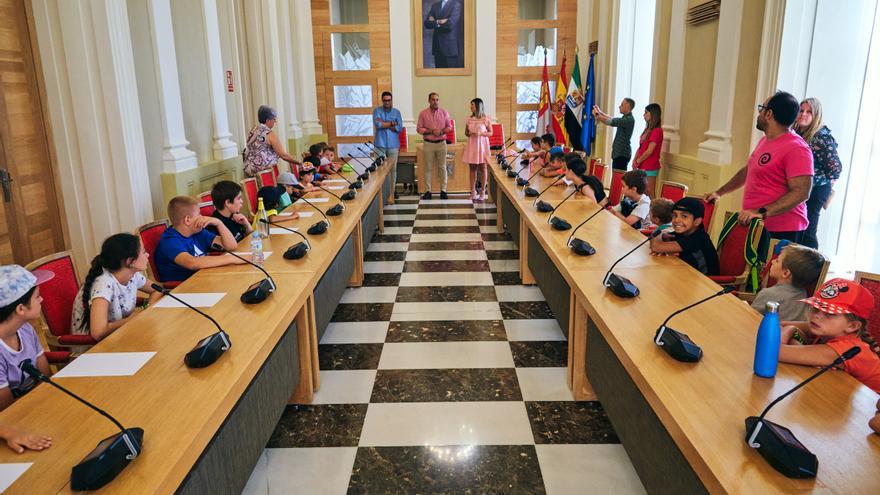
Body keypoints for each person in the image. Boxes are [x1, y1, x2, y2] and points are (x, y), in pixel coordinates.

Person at [705, 91, 814, 242]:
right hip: (758, 222)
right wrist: (719, 192)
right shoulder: (766, 140)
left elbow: (801, 192)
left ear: (769, 114)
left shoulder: (797, 148)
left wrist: (761, 212)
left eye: (761, 108)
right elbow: (749, 170)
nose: (759, 113)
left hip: (782, 230)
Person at [779, 278, 880, 393]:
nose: (817, 315)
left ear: (852, 326)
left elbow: (774, 351)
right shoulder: (827, 329)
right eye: (816, 308)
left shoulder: (848, 349)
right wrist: (803, 352)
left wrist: (791, 330)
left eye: (829, 313)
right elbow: (778, 324)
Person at [71, 233, 164, 343]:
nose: (147, 255)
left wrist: (147, 309)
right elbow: (98, 332)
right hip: (94, 348)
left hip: (120, 335)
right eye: (143, 252)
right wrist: (131, 319)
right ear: (130, 261)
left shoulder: (132, 275)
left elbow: (156, 290)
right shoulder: (104, 284)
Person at [155, 196, 244, 283]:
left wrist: (218, 223)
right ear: (187, 220)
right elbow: (192, 263)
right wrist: (233, 259)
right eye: (199, 214)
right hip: (183, 288)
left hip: (204, 278)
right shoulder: (169, 240)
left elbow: (231, 246)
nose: (202, 217)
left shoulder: (198, 232)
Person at [0, 265, 53, 411]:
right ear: (21, 309)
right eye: (37, 296)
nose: (41, 299)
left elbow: (45, 376)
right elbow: (7, 409)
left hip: (40, 405)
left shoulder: (25, 329)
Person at [793, 98, 842, 249]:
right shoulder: (796, 132)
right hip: (801, 187)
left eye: (809, 112)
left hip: (817, 189)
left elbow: (836, 168)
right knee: (797, 227)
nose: (803, 114)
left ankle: (814, 268)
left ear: (816, 116)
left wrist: (819, 178)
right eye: (801, 110)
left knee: (808, 228)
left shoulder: (820, 137)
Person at [750, 244, 826, 321]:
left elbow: (749, 317)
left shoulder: (767, 294)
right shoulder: (804, 294)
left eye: (777, 261)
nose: (772, 261)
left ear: (785, 273)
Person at [650, 197, 720, 276]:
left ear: (697, 221)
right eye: (675, 215)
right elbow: (662, 240)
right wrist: (663, 238)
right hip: (688, 275)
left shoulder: (698, 238)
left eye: (684, 216)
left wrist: (660, 239)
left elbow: (656, 246)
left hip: (706, 283)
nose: (676, 220)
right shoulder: (683, 232)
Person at [242, 105, 301, 178]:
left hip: (249, 170)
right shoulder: (269, 134)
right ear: (267, 120)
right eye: (274, 119)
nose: (275, 121)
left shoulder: (253, 130)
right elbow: (283, 155)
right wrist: (299, 163)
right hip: (264, 173)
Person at [417, 92, 452, 200]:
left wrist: (441, 132)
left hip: (441, 143)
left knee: (442, 167)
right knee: (427, 168)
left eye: (437, 100)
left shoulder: (444, 112)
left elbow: (449, 127)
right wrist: (431, 131)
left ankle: (443, 191)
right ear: (429, 101)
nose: (435, 102)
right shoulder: (423, 113)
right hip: (428, 144)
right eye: (433, 100)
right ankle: (428, 191)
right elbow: (419, 129)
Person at [373, 91, 402, 203]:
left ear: (391, 100)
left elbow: (399, 128)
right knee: (380, 170)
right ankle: (380, 193)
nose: (387, 102)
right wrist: (392, 123)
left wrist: (386, 123)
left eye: (389, 100)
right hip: (380, 144)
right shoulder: (377, 111)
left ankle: (391, 192)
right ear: (382, 100)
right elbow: (378, 125)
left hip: (393, 145)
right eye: (385, 100)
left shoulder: (397, 112)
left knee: (392, 170)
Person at [593, 98, 635, 171]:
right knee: (616, 176)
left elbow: (612, 122)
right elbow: (613, 119)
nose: (619, 106)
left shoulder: (629, 119)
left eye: (622, 105)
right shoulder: (626, 118)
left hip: (622, 154)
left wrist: (598, 115)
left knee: (618, 178)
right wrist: (600, 113)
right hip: (619, 154)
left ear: (628, 106)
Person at [464, 98, 493, 202]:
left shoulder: (486, 119)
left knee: (483, 167)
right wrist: (470, 133)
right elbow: (466, 133)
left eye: (472, 105)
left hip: (482, 145)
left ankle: (482, 191)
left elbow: (491, 133)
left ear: (477, 106)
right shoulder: (469, 119)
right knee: (472, 168)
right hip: (472, 144)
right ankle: (473, 192)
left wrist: (481, 133)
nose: (470, 107)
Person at [633, 103, 664, 197]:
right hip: (642, 164)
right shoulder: (647, 129)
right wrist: (635, 159)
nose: (644, 115)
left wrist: (638, 161)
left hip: (650, 165)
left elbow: (649, 151)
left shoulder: (657, 131)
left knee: (649, 192)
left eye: (646, 112)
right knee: (642, 192)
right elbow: (641, 147)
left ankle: (653, 211)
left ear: (653, 114)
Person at [423, 0, 463, 68]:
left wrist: (435, 22)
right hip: (437, 47)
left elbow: (450, 25)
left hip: (450, 48)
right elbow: (427, 24)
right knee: (439, 76)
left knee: (451, 76)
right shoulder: (435, 6)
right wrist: (439, 21)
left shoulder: (456, 4)